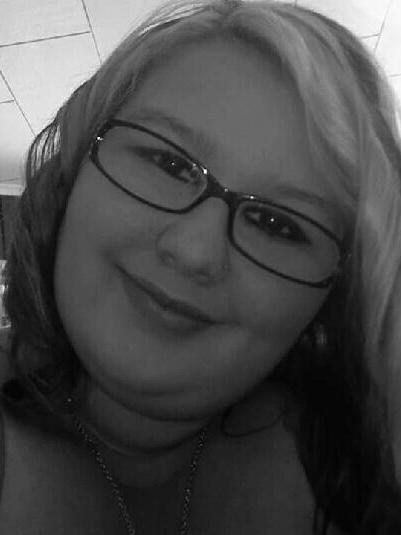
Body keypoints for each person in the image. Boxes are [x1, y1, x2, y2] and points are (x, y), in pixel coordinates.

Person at [0, 0, 400, 533]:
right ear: (72, 178)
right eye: (169, 163)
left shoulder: (371, 474)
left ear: (333, 299)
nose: (195, 251)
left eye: (278, 224)